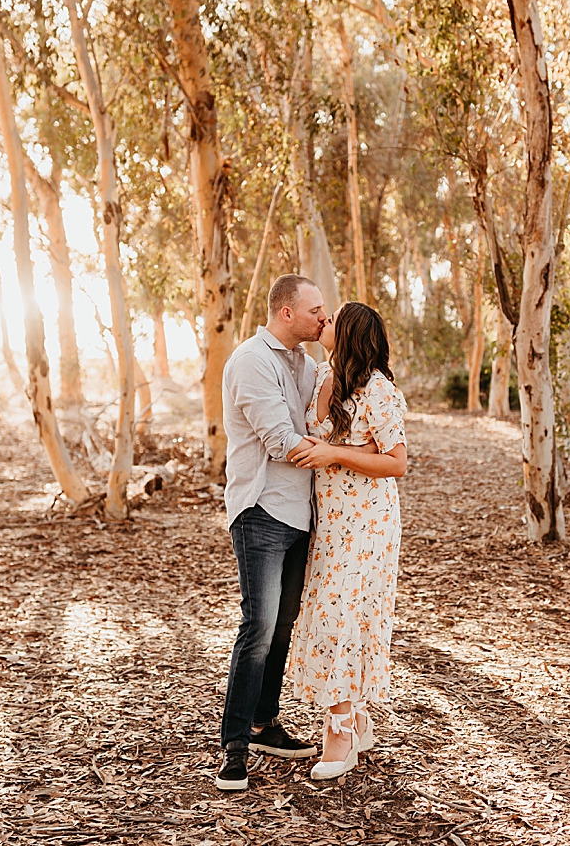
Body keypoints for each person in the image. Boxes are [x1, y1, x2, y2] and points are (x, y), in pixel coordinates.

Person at [287, 301, 408, 780]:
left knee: (342, 615)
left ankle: (338, 731)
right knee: (331, 612)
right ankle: (355, 717)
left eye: (332, 319)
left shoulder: (376, 389)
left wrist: (335, 453)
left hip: (368, 522)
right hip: (328, 518)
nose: (323, 322)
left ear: (352, 332)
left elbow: (396, 462)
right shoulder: (319, 377)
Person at [214, 274, 326, 791]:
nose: (323, 319)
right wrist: (343, 453)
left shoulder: (307, 364)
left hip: (300, 513)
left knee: (282, 627)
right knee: (257, 626)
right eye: (315, 310)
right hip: (260, 509)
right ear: (286, 313)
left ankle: (264, 723)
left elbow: (325, 419)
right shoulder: (251, 361)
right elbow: (283, 442)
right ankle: (234, 744)